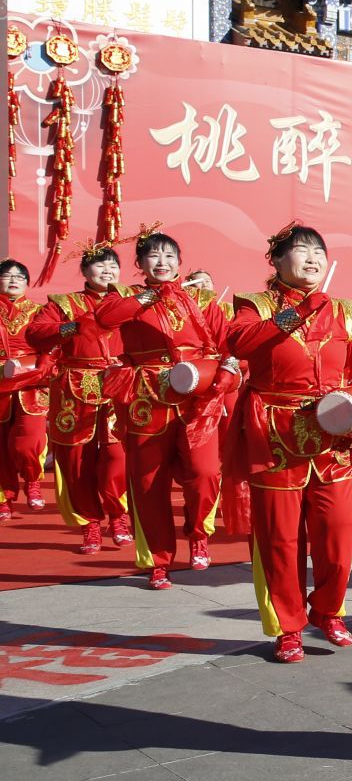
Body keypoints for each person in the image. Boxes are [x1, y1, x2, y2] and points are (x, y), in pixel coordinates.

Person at [225, 225, 352, 661]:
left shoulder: (346, 312)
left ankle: (329, 610)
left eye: (319, 251)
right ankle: (288, 628)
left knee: (340, 531)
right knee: (280, 538)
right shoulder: (254, 305)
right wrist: (294, 315)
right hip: (275, 435)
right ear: (277, 260)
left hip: (331, 435)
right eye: (301, 250)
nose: (313, 258)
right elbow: (238, 342)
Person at [90, 230, 231, 587]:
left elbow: (227, 344)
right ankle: (158, 561)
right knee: (148, 483)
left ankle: (198, 533)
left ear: (180, 263)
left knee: (204, 473)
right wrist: (151, 295)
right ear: (140, 264)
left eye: (169, 256)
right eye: (153, 256)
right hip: (146, 399)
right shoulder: (124, 297)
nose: (162, 262)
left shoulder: (201, 298)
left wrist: (225, 376)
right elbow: (105, 319)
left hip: (196, 399)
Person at [25, 242, 131, 552]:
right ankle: (90, 524)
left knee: (117, 457)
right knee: (76, 461)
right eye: (99, 264)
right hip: (74, 388)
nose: (107, 270)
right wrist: (71, 327)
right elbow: (35, 333)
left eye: (113, 264)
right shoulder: (64, 303)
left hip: (118, 385)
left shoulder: (130, 301)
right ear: (84, 271)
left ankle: (118, 516)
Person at [0, 259, 51, 518]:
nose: (14, 280)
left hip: (30, 383)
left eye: (20, 276)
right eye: (7, 276)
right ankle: (4, 499)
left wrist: (39, 367)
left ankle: (32, 480)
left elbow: (50, 348)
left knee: (29, 439)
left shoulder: (39, 312)